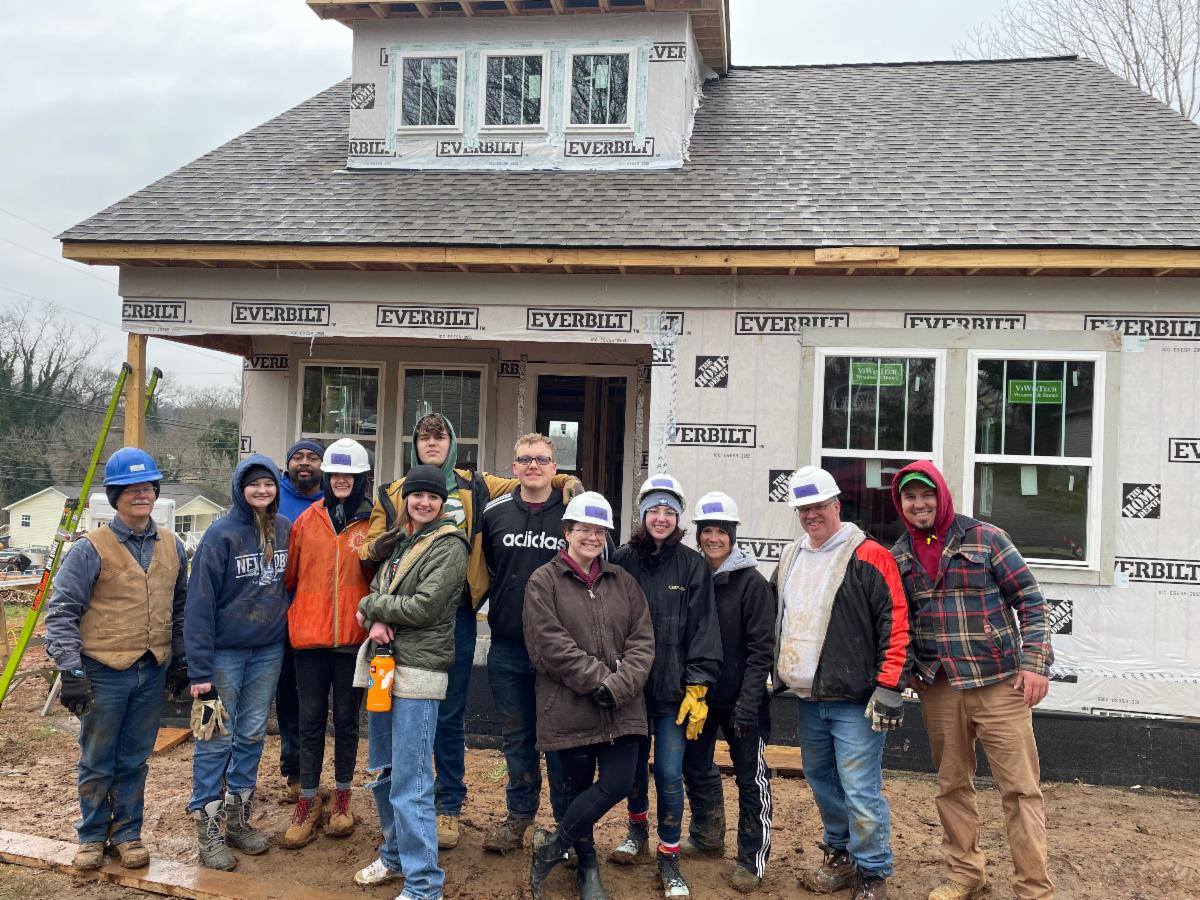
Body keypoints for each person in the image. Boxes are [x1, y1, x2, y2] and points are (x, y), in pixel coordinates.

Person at [359, 411, 580, 849]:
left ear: (452, 443)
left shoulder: (477, 485)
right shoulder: (392, 492)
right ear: (414, 444)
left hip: (458, 614)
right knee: (394, 715)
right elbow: (369, 553)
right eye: (424, 437)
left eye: (440, 436)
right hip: (400, 620)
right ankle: (402, 811)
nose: (432, 443)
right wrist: (386, 556)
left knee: (450, 714)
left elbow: (530, 477)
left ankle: (448, 807)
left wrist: (568, 482)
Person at [890, 462, 1054, 900]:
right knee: (952, 786)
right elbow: (899, 620)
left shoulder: (986, 538)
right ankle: (965, 874)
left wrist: (1035, 663)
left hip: (999, 683)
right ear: (901, 504)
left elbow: (1031, 601)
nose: (919, 504)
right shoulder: (900, 554)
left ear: (942, 495)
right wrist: (908, 671)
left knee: (1020, 790)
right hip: (940, 688)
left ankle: (1033, 887)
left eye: (926, 494)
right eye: (910, 497)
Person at [44, 448, 189, 870]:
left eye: (147, 488)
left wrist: (181, 658)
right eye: (131, 489)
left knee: (134, 758)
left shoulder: (173, 546)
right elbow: (62, 612)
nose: (141, 495)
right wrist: (71, 669)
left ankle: (127, 834)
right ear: (115, 496)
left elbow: (180, 608)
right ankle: (91, 836)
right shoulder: (90, 549)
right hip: (103, 671)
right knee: (97, 757)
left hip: (152, 668)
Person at [771, 466, 911, 900]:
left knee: (860, 789)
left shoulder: (869, 555)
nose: (811, 514)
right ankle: (841, 853)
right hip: (808, 697)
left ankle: (873, 873)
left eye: (818, 506)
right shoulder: (791, 556)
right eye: (803, 509)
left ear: (836, 505)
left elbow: (896, 620)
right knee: (821, 780)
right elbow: (775, 617)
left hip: (856, 700)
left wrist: (890, 685)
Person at [523, 492, 655, 900]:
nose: (592, 537)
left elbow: (642, 641)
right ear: (567, 532)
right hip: (570, 706)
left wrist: (618, 686)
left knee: (619, 782)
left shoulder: (622, 581)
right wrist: (600, 680)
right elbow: (549, 645)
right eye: (584, 529)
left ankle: (552, 847)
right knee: (576, 789)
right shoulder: (544, 581)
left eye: (600, 531)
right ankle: (588, 866)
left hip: (623, 708)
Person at [350, 463, 470, 898]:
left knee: (412, 780)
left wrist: (372, 608)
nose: (424, 502)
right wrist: (376, 616)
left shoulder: (449, 546)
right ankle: (395, 855)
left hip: (418, 672)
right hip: (384, 667)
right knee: (385, 770)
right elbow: (380, 592)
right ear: (406, 499)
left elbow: (424, 607)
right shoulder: (401, 541)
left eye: (433, 497)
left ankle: (423, 884)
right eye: (417, 495)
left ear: (442, 503)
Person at [609, 474, 721, 899]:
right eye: (653, 510)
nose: (661, 517)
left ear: (678, 518)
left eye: (669, 511)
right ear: (642, 515)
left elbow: (704, 628)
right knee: (633, 770)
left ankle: (669, 856)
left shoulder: (692, 565)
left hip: (674, 693)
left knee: (670, 774)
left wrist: (698, 684)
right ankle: (636, 831)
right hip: (631, 690)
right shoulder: (622, 560)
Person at [185, 454, 292, 871]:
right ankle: (208, 829)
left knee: (251, 734)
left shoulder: (284, 530)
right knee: (216, 736)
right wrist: (199, 670)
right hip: (224, 654)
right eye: (253, 484)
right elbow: (199, 605)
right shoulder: (220, 535)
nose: (262, 490)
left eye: (268, 484)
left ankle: (237, 820)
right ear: (239, 488)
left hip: (268, 651)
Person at [479, 433, 572, 852]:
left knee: (559, 741)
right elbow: (485, 569)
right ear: (514, 467)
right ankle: (519, 817)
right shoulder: (494, 513)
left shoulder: (572, 512)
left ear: (555, 468)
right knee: (517, 738)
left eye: (542, 459)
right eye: (525, 459)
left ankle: (567, 827)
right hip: (508, 646)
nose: (533, 466)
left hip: (559, 653)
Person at [680, 491, 775, 893]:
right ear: (699, 534)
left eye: (721, 531)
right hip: (700, 697)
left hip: (742, 700)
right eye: (707, 531)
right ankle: (707, 837)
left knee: (751, 778)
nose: (714, 538)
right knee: (695, 766)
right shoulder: (693, 577)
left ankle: (752, 860)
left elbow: (761, 650)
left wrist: (748, 704)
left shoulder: (752, 584)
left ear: (733, 535)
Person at [280, 439, 373, 848]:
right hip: (309, 638)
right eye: (335, 474)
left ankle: (343, 797)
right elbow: (291, 575)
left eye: (349, 475)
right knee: (310, 719)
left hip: (353, 638)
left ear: (361, 478)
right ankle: (307, 798)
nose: (341, 480)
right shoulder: (306, 521)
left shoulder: (372, 524)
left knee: (348, 721)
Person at [275, 438, 325, 800]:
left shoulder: (333, 502)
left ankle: (318, 773)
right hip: (278, 617)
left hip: (319, 619)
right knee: (288, 697)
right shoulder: (272, 498)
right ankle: (294, 770)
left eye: (312, 457)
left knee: (316, 702)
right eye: (297, 457)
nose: (304, 463)